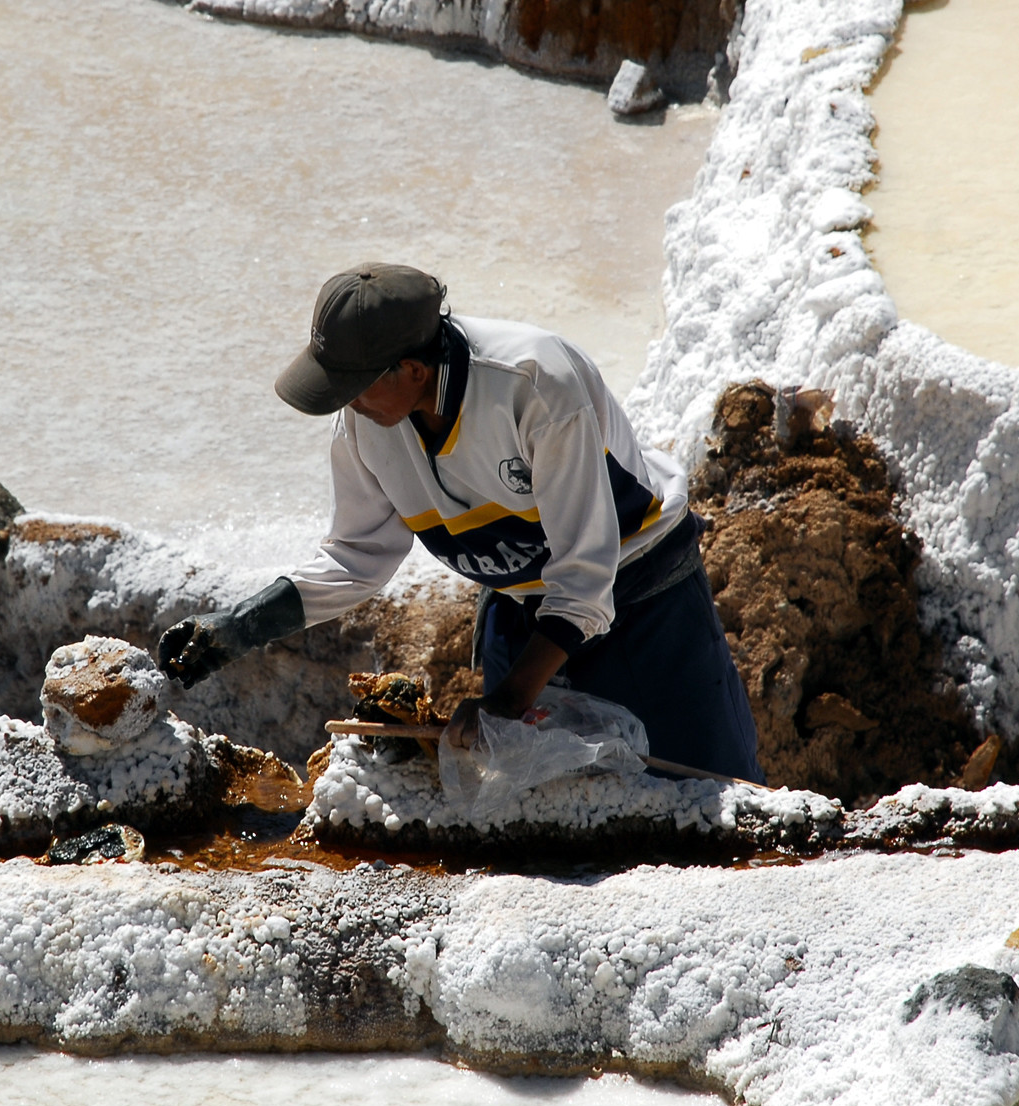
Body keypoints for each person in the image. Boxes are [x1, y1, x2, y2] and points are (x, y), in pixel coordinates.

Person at [157, 263, 762, 780]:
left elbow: (585, 574)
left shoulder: (535, 386)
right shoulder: (369, 422)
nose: (347, 405)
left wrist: (509, 698)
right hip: (521, 604)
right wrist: (240, 625)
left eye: (356, 387)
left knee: (704, 798)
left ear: (413, 370)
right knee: (539, 815)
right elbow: (357, 556)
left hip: (644, 600)